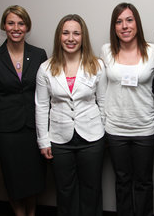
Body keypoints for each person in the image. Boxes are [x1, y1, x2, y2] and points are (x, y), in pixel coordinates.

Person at [100, 2, 154, 216]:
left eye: (129, 20)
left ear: (137, 23)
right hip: (115, 129)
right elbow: (102, 87)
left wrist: (144, 89)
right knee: (122, 181)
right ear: (114, 27)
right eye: (119, 22)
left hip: (144, 129)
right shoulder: (107, 51)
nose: (124, 26)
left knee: (144, 182)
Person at [35, 14, 107, 216]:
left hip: (92, 137)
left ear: (83, 37)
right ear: (59, 36)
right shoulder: (46, 69)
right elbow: (41, 106)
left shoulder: (97, 65)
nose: (71, 38)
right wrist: (43, 141)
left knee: (91, 190)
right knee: (65, 190)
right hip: (59, 139)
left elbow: (103, 102)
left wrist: (104, 132)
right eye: (66, 33)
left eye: (76, 33)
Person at [0, 5, 47, 216]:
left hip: (33, 128)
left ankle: (31, 213)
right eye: (11, 23)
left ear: (27, 27)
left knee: (33, 178)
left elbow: (47, 95)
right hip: (6, 131)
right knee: (13, 179)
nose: (16, 28)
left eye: (21, 23)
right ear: (4, 26)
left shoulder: (39, 55)